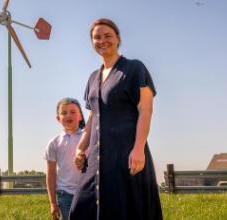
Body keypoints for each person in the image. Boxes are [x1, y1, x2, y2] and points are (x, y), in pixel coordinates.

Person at [69, 18, 163, 219]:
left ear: (118, 38)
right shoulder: (93, 77)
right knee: (80, 208)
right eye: (97, 37)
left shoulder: (134, 68)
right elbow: (92, 115)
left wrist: (138, 149)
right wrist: (81, 147)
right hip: (96, 157)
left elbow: (146, 109)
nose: (102, 40)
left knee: (125, 210)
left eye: (107, 36)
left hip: (126, 154)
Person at [44, 98, 86, 220]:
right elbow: (51, 174)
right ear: (58, 118)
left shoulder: (89, 138)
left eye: (73, 112)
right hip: (65, 195)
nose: (68, 115)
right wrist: (52, 203)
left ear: (80, 116)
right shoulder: (54, 143)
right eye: (64, 113)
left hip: (88, 192)